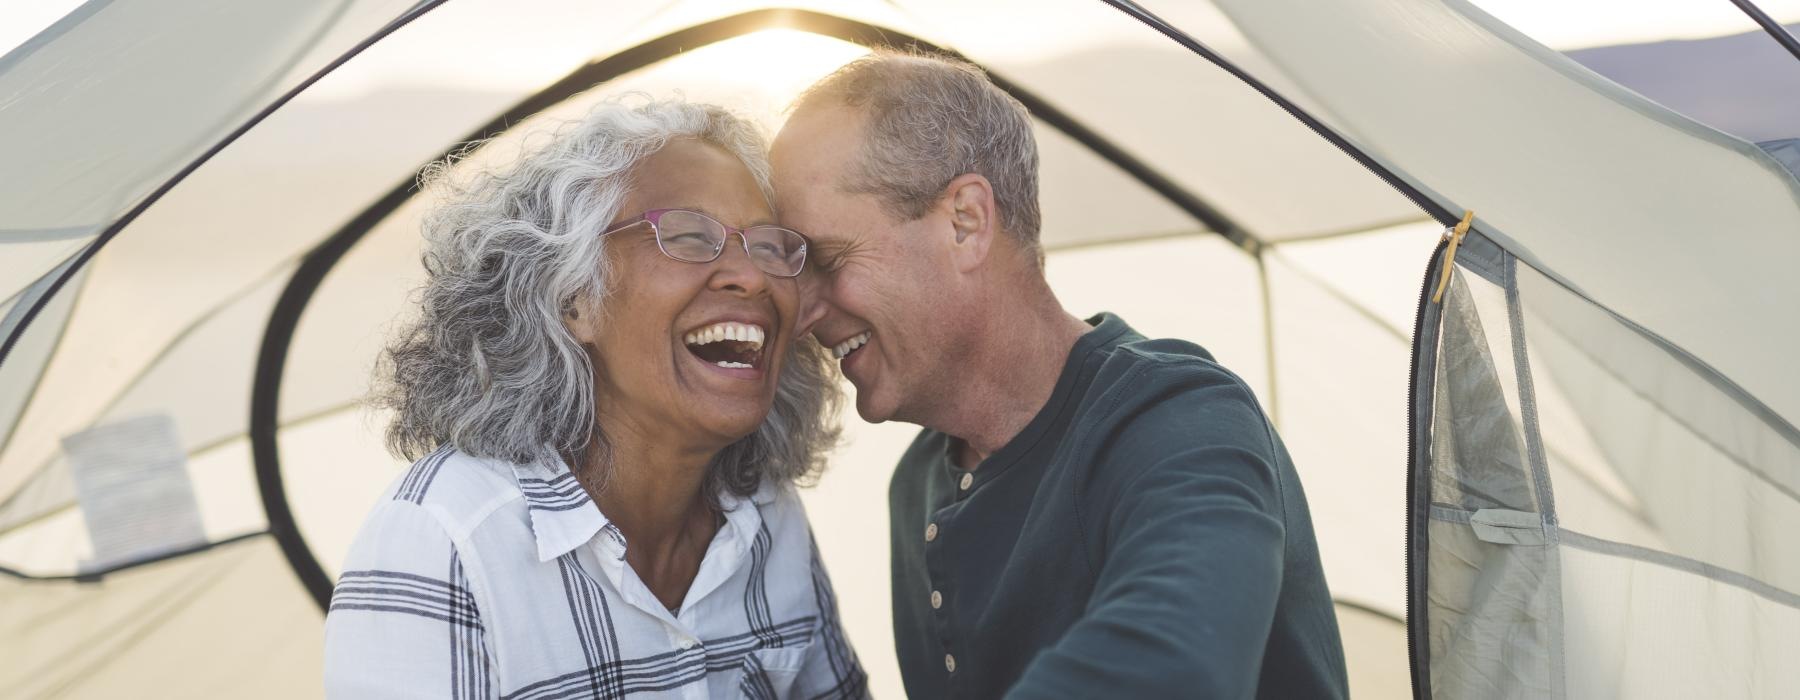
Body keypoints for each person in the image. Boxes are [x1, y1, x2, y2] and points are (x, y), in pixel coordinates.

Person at [770, 51, 1348, 699]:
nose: (803, 313)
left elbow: (1175, 669)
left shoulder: (1182, 423)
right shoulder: (917, 485)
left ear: (966, 222)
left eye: (824, 257)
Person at [323, 98, 867, 699]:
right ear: (572, 297)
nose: (754, 276)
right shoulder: (443, 539)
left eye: (769, 246)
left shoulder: (767, 514)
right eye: (687, 236)